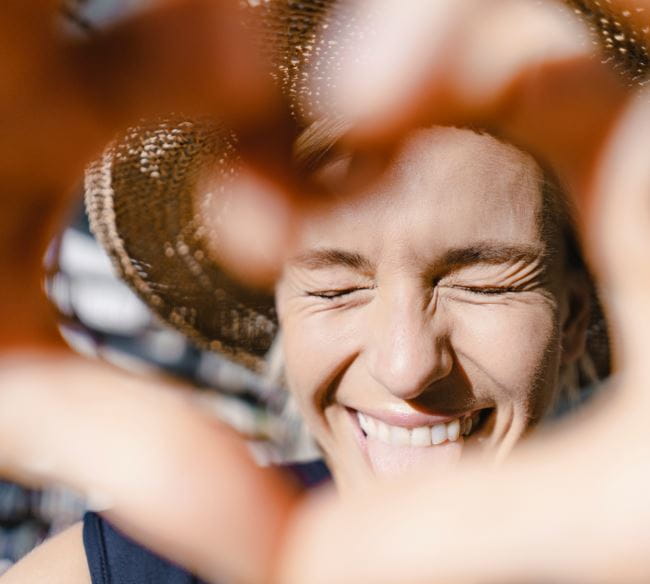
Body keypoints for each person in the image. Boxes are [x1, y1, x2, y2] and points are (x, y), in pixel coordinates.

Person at [0, 1, 649, 583]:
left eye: (481, 283)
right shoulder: (127, 567)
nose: (407, 365)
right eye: (337, 286)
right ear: (279, 301)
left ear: (571, 318)